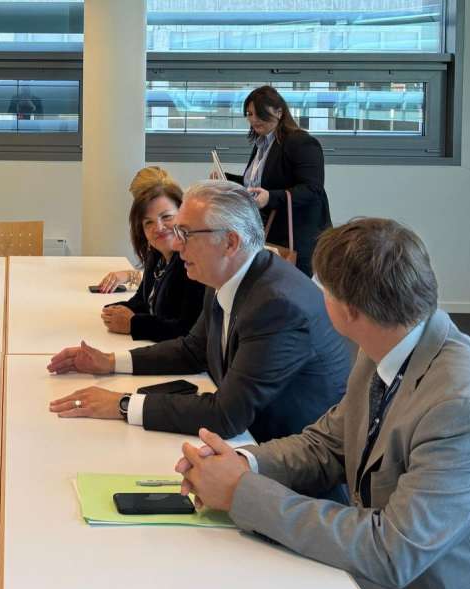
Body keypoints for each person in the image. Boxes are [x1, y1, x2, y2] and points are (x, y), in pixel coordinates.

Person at [174, 218, 470, 589]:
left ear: (348, 309)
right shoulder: (390, 347)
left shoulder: (465, 407)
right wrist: (242, 463)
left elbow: (392, 551)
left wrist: (242, 492)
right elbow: (328, 444)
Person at [48, 180, 349, 442]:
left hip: (286, 463)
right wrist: (109, 361)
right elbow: (193, 350)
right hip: (248, 442)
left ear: (230, 242)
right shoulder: (226, 275)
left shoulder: (277, 306)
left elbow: (226, 416)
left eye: (186, 233)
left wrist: (123, 404)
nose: (177, 245)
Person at [222, 85, 331, 276]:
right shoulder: (262, 144)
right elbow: (259, 185)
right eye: (249, 114)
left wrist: (270, 198)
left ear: (279, 112)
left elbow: (313, 190)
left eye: (260, 113)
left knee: (292, 287)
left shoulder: (301, 142)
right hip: (269, 233)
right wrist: (226, 181)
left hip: (296, 237)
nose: (253, 119)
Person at [96, 167, 207, 342]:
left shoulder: (192, 264)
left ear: (183, 213)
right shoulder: (156, 254)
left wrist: (134, 324)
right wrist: (114, 311)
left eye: (166, 217)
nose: (159, 228)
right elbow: (143, 301)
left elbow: (187, 330)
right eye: (148, 222)